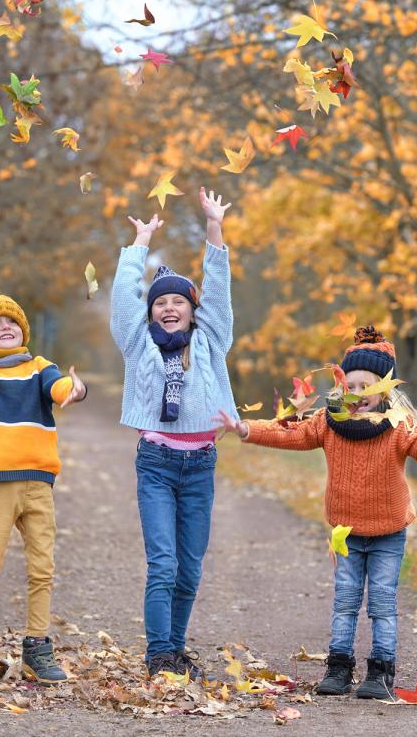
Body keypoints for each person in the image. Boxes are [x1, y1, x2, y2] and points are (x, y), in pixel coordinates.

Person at [216, 325, 417, 699]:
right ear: (340, 386)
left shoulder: (399, 427)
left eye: (368, 385)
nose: (359, 393)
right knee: (345, 601)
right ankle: (338, 668)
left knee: (381, 602)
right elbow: (288, 432)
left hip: (388, 532)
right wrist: (246, 428)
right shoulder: (328, 423)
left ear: (385, 389)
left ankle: (380, 672)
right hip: (345, 532)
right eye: (351, 385)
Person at [110, 187, 238, 679]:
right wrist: (139, 246)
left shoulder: (210, 341)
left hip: (200, 465)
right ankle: (159, 653)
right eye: (160, 301)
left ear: (191, 309)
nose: (168, 307)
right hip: (157, 465)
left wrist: (214, 228)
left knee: (190, 568)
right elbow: (124, 302)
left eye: (177, 302)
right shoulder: (138, 344)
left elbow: (219, 292)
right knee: (162, 564)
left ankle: (177, 648)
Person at [0, 288, 87, 685]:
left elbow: (58, 387)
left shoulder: (39, 366)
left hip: (39, 482)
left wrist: (74, 390)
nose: (4, 327)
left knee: (42, 568)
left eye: (11, 322)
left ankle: (36, 650)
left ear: (22, 331)